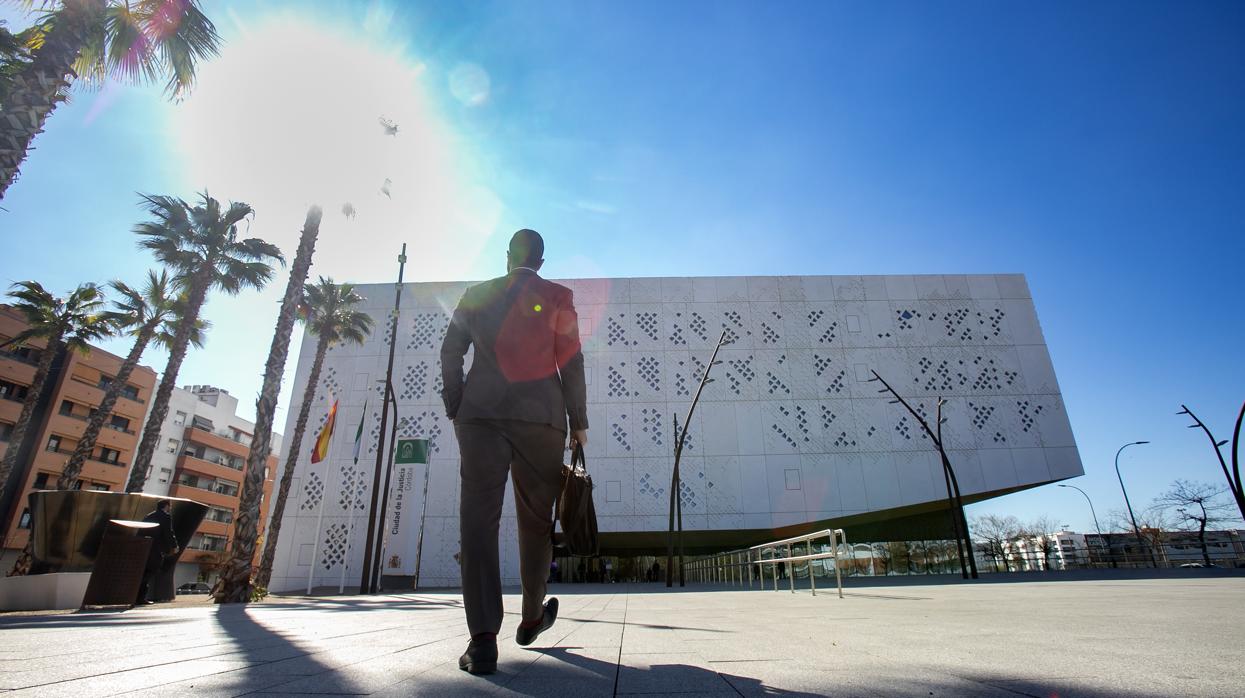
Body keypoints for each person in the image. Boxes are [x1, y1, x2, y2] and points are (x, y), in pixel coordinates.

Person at [441, 229, 588, 676]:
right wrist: (578, 423)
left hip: (480, 416)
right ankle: (529, 616)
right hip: (541, 420)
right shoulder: (559, 296)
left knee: (478, 522)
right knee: (536, 523)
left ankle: (483, 640)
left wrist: (456, 403)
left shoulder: (477, 294)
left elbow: (451, 350)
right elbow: (572, 361)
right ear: (541, 262)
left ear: (508, 258)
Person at [135, 500, 178, 606]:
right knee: (150, 571)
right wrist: (174, 546)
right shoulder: (166, 517)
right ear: (166, 506)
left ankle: (136, 595)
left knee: (143, 571)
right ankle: (140, 597)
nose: (170, 508)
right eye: (170, 506)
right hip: (156, 549)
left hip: (144, 547)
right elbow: (168, 532)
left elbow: (141, 531)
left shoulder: (149, 516)